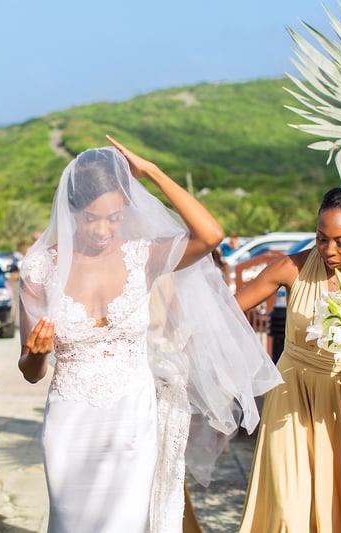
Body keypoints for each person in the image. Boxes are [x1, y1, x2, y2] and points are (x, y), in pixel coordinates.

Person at [18, 137, 281, 533]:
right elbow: (30, 371)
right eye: (91, 218)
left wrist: (153, 172)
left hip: (131, 415)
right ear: (71, 211)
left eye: (114, 217)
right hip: (70, 420)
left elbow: (210, 235)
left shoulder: (142, 255)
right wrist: (37, 354)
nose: (103, 229)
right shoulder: (40, 269)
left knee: (127, 522)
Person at [235, 188, 341, 532]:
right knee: (286, 501)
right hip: (291, 392)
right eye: (321, 238)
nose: (328, 250)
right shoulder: (290, 268)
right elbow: (229, 310)